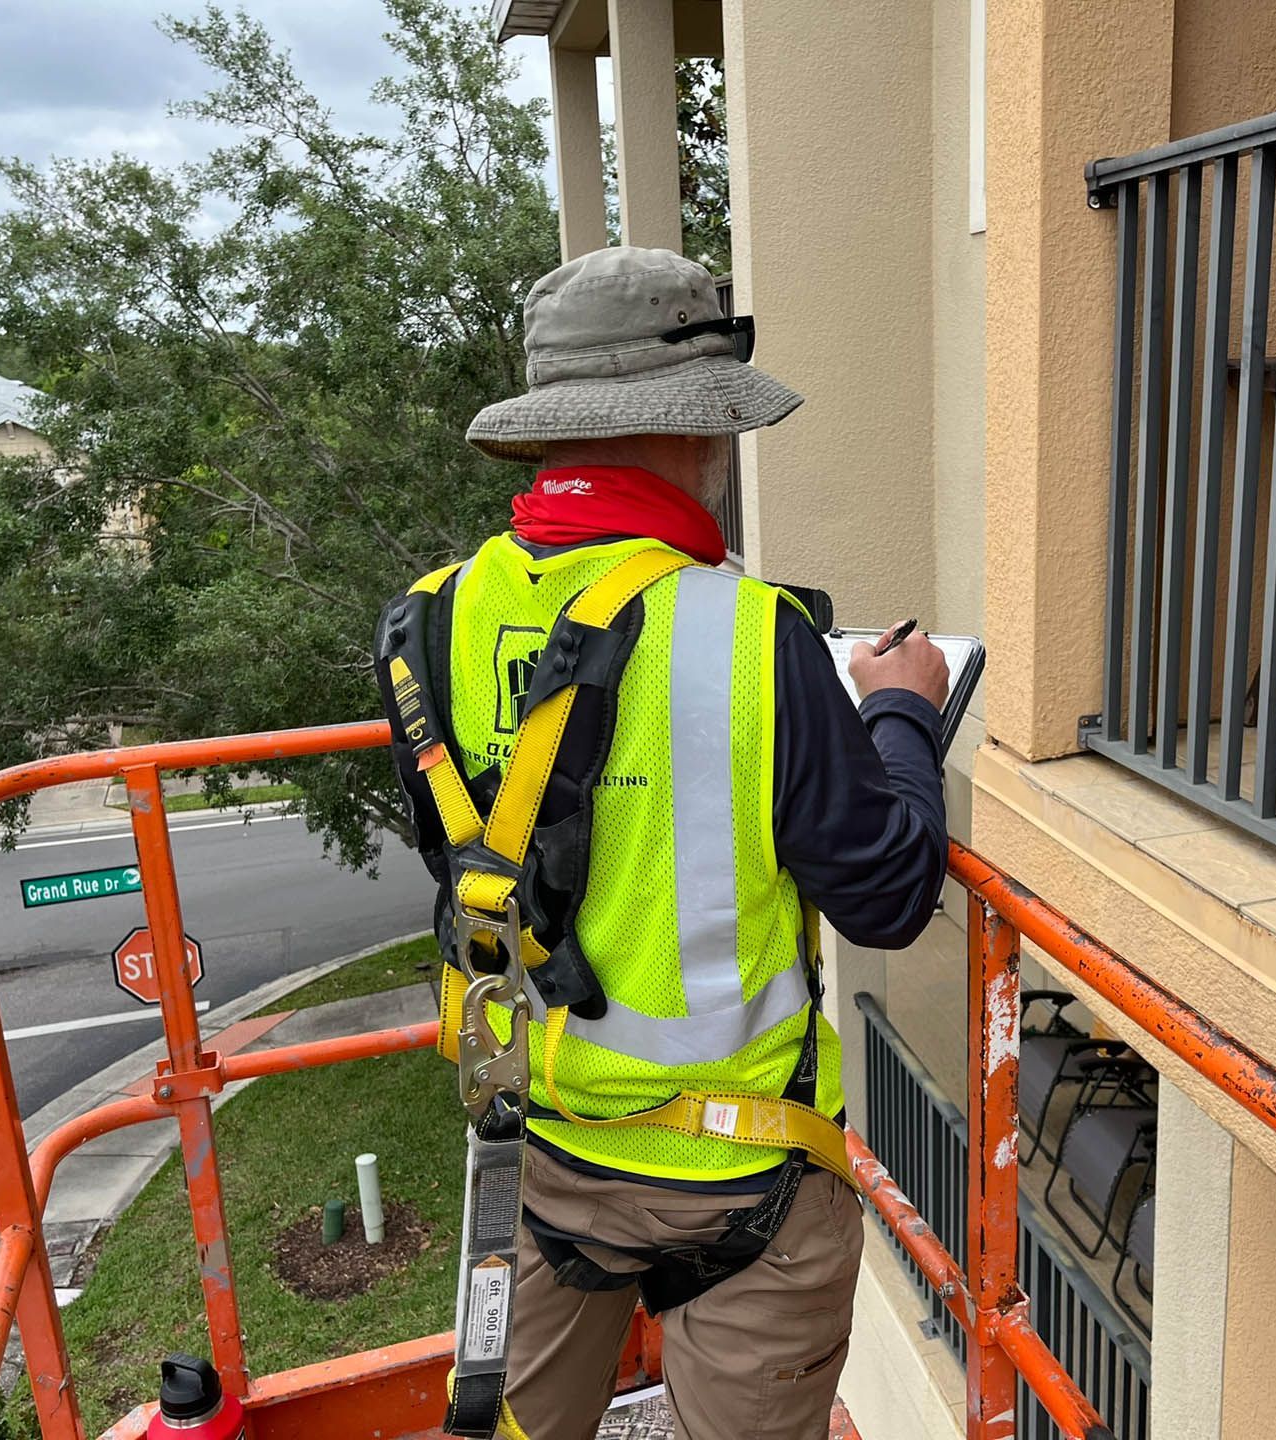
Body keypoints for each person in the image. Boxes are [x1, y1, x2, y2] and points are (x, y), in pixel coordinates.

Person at [377, 245, 948, 1440]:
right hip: (745, 1180)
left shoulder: (430, 618)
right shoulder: (754, 634)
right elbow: (889, 895)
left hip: (539, 1150)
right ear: (694, 431)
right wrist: (899, 711)